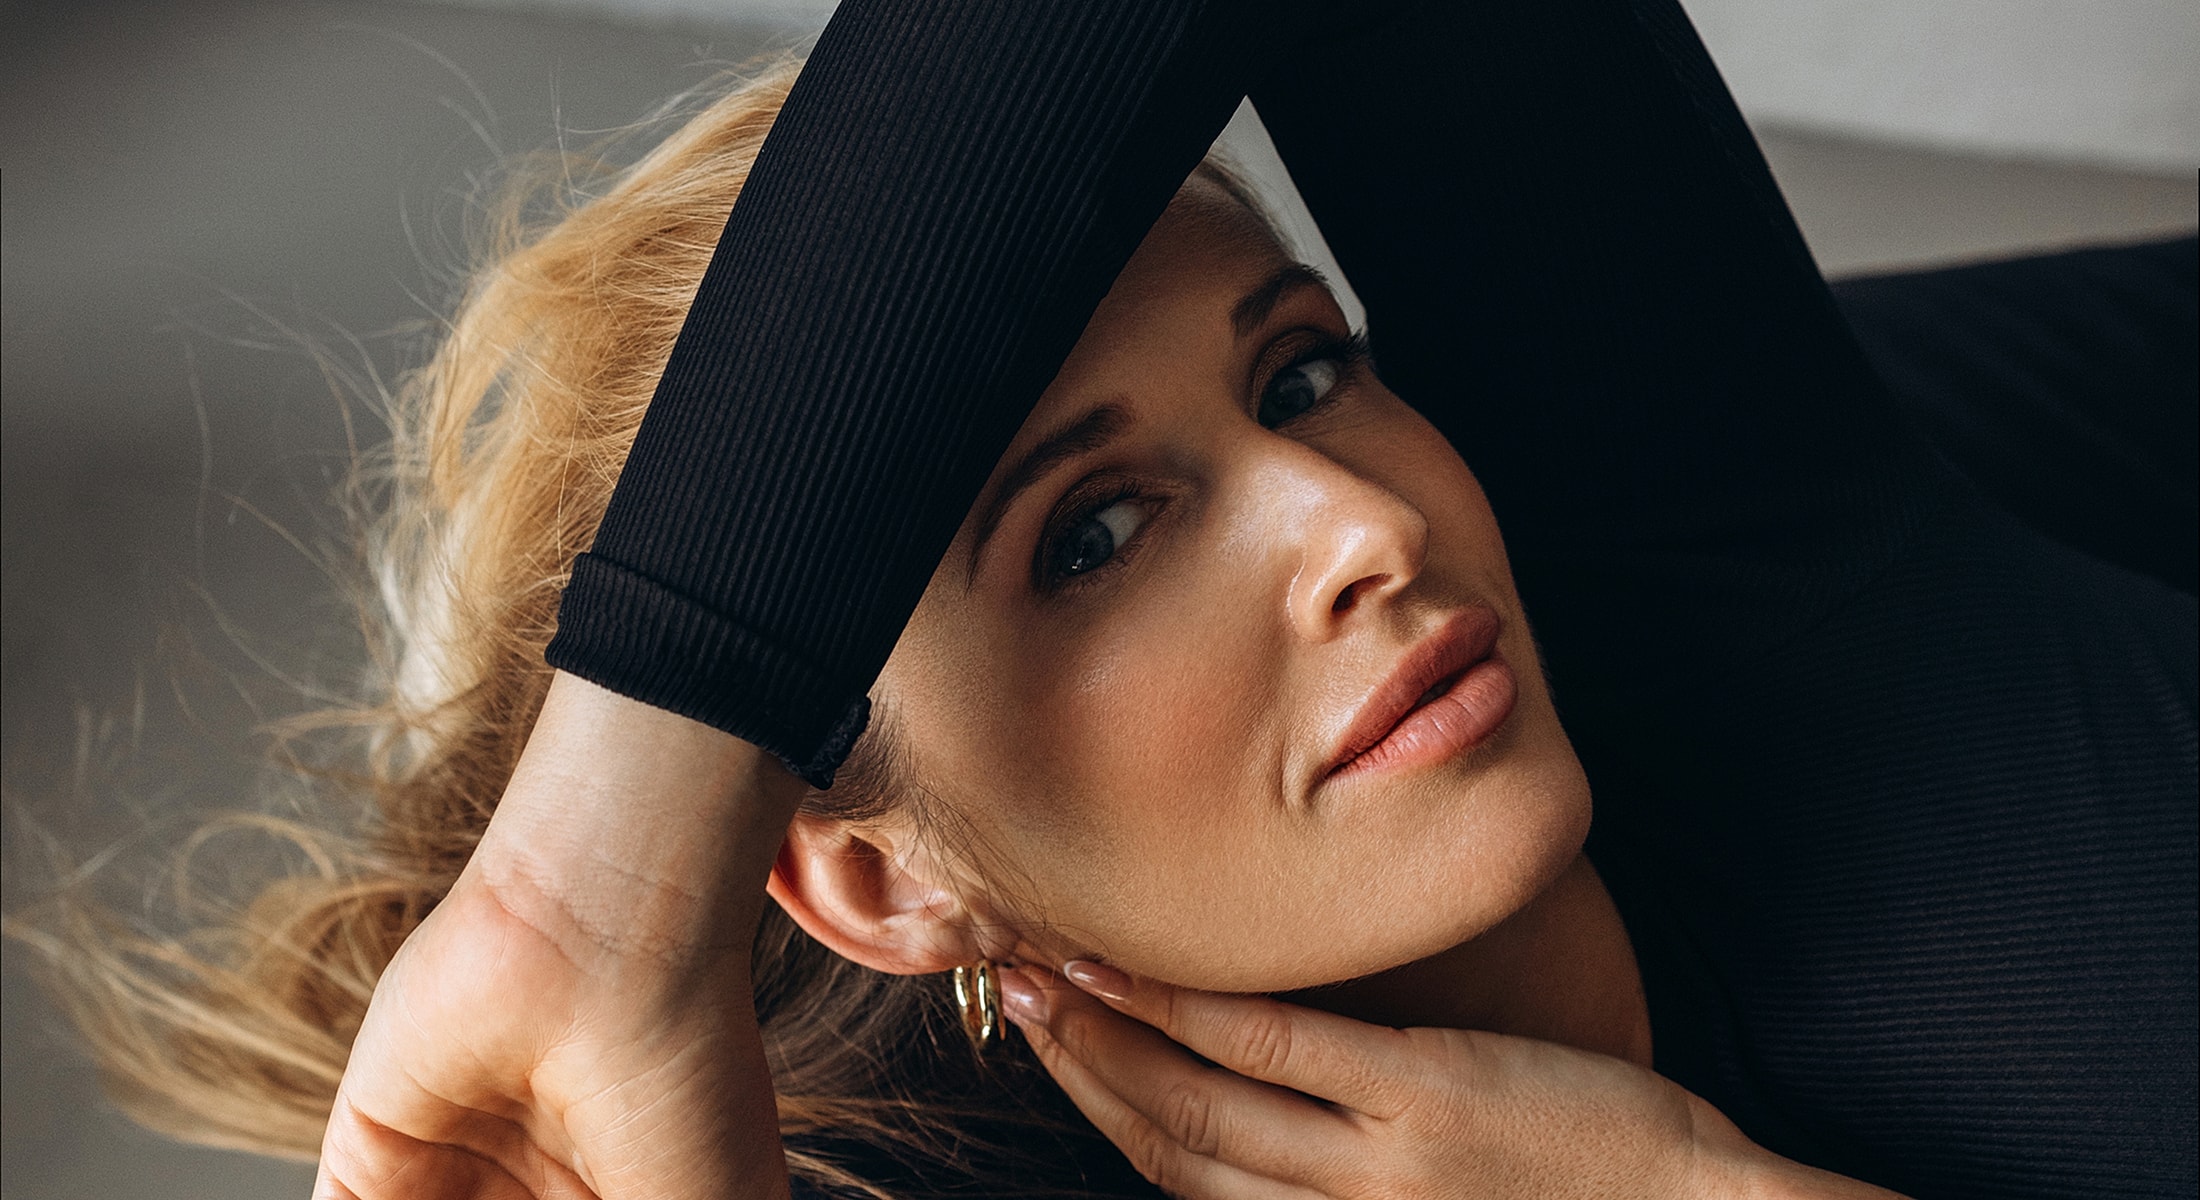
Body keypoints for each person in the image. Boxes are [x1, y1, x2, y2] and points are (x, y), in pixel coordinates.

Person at [15, 1, 2191, 1197]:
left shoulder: (1751, 576)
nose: (1357, 525)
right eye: (1090, 535)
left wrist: (593, 876)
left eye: (1305, 371)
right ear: (867, 880)